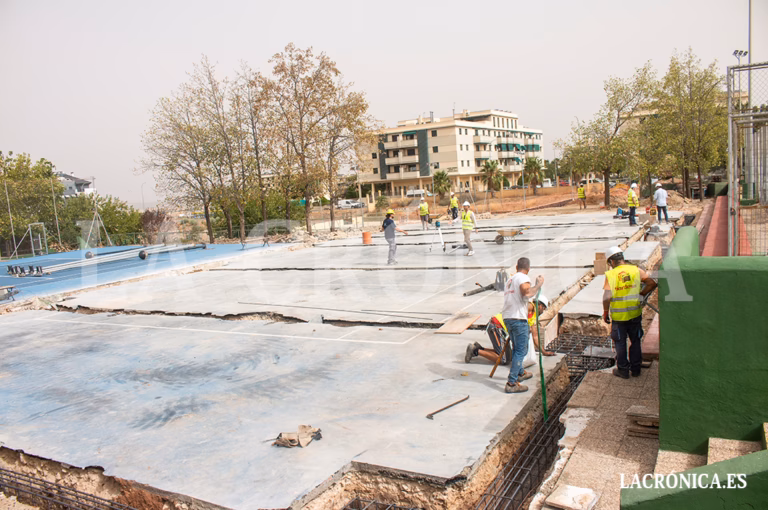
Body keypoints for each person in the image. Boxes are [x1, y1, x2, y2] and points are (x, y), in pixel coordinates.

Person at [602, 246, 657, 378]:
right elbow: (651, 283)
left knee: (620, 343)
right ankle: (636, 368)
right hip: (634, 314)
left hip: (619, 317)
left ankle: (623, 370)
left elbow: (607, 297)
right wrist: (641, 294)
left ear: (611, 262)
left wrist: (605, 312)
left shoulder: (611, 274)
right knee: (636, 340)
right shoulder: (636, 270)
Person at [502, 257, 544, 393]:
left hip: (508, 317)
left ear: (516, 266)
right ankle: (512, 382)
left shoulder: (510, 280)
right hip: (518, 319)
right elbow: (527, 292)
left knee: (516, 348)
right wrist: (538, 285)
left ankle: (520, 373)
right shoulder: (522, 278)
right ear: (528, 269)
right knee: (521, 350)